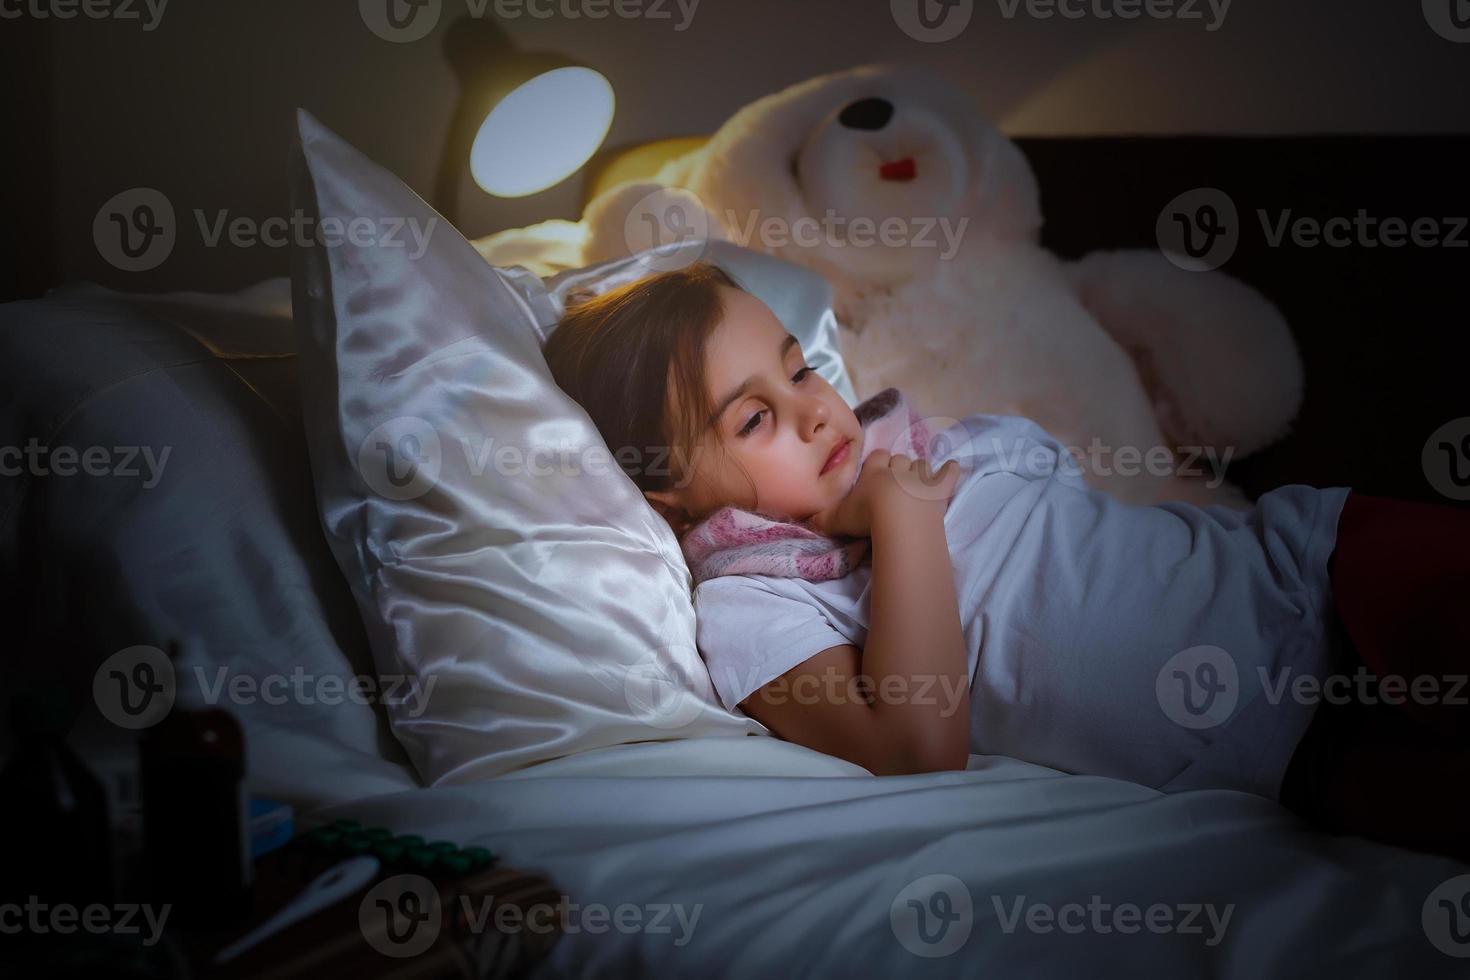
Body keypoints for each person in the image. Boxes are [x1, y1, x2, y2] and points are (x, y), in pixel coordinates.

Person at [544, 261, 1470, 863]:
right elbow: (917, 748)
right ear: (662, 491)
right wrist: (902, 526)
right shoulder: (759, 602)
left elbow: (1078, 515)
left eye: (799, 370)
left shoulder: (928, 444)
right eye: (752, 419)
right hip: (1296, 753)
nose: (816, 412)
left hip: (1321, 568)